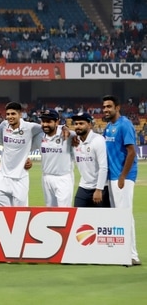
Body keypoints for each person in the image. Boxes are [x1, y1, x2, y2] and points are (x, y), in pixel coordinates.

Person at [102, 95, 141, 266]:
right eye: (104, 107)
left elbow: (132, 152)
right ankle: (120, 251)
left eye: (109, 106)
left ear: (117, 107)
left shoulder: (125, 124)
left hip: (123, 177)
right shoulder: (108, 126)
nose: (106, 110)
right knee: (117, 214)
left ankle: (133, 255)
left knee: (125, 214)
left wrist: (123, 176)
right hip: (112, 177)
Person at [0, 102, 43, 207]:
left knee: (21, 214)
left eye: (13, 114)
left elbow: (48, 128)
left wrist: (64, 128)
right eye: (7, 114)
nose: (10, 117)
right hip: (2, 178)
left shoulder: (30, 127)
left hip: (20, 178)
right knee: (1, 214)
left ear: (20, 115)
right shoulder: (3, 125)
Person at [39, 109, 74, 207]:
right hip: (46, 177)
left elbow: (81, 135)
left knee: (64, 211)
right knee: (50, 211)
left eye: (49, 121)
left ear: (57, 122)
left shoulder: (67, 135)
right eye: (43, 121)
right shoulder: (39, 136)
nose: (45, 124)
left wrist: (65, 128)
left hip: (63, 178)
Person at [72, 113, 108, 208]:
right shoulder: (75, 141)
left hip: (100, 187)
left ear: (90, 125)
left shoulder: (98, 140)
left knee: (102, 221)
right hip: (83, 186)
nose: (78, 126)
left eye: (81, 123)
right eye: (76, 124)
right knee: (77, 218)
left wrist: (99, 189)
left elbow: (103, 167)